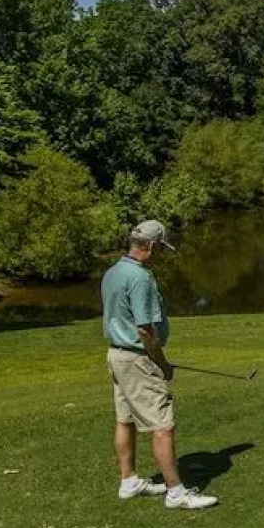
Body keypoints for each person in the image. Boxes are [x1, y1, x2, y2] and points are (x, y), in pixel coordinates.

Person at [101, 219, 217, 510]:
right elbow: (145, 330)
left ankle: (128, 481)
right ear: (151, 246)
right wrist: (162, 364)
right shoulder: (141, 278)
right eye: (161, 248)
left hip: (117, 355)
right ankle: (176, 493)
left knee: (125, 419)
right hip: (138, 359)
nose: (161, 254)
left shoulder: (113, 271)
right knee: (163, 425)